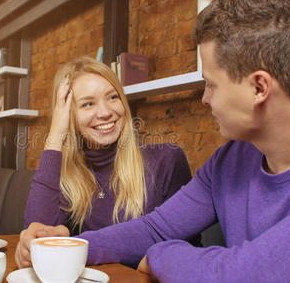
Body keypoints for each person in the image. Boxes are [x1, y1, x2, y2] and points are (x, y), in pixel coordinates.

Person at [16, 0, 290, 281]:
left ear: (259, 87)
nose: (204, 99)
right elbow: (156, 228)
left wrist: (161, 255)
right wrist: (67, 245)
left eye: (211, 84)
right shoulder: (230, 159)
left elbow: (235, 275)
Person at [23, 57, 194, 236]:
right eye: (88, 104)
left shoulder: (166, 160)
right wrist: (56, 135)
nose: (105, 113)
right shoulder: (66, 176)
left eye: (113, 97)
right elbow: (38, 237)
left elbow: (186, 244)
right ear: (67, 115)